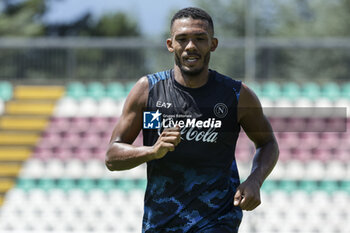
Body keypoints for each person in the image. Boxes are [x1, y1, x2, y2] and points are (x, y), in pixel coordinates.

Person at [106, 7, 279, 233]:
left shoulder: (236, 95)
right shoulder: (148, 91)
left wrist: (255, 179)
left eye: (200, 38)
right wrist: (152, 151)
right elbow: (112, 156)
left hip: (218, 220)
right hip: (161, 223)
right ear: (170, 45)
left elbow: (267, 143)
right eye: (182, 39)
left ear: (213, 44)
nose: (191, 46)